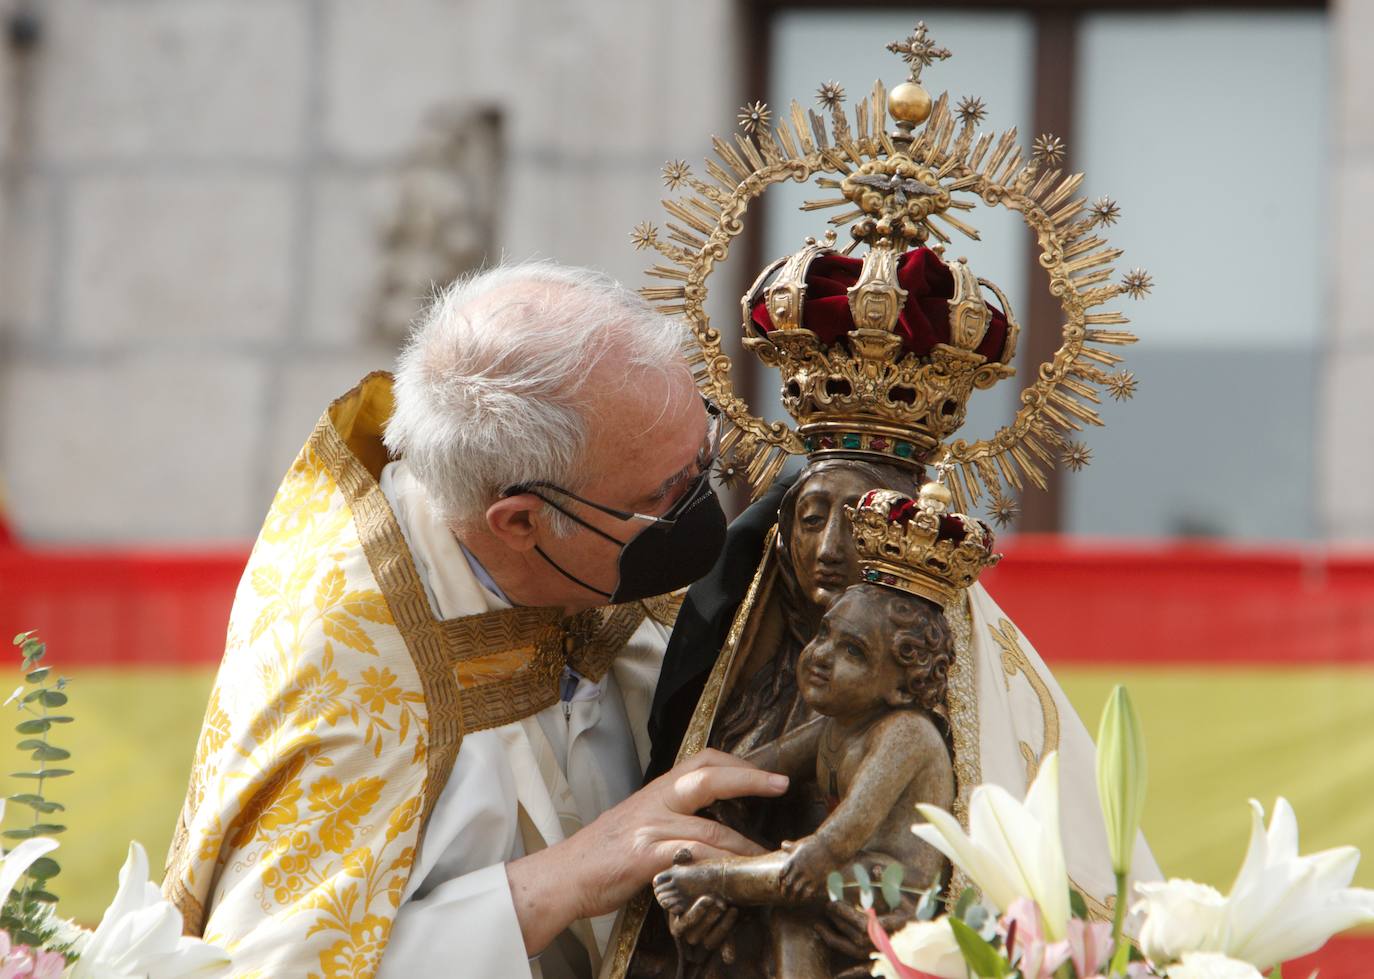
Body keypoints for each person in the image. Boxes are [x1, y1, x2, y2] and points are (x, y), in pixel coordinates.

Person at [161, 262, 790, 979]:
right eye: (665, 493)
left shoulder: (594, 524)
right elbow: (272, 966)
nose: (698, 504)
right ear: (520, 520)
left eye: (703, 456)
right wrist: (562, 882)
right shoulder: (350, 663)